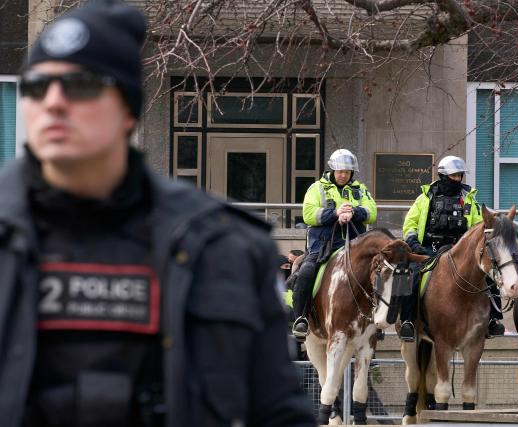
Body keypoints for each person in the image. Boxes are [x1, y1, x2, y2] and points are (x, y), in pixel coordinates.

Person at [3, 1, 315, 426]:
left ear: (128, 109)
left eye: (81, 85)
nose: (54, 102)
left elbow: (278, 412)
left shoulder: (222, 244)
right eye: (38, 86)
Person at [399, 155, 505, 341]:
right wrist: (414, 243)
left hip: (459, 252)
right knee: (411, 274)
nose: (457, 179)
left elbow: (477, 227)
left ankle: (494, 319)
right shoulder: (425, 198)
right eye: (454, 176)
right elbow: (410, 224)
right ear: (443, 176)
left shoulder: (469, 200)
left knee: (488, 276)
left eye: (460, 176)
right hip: (428, 249)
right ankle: (407, 321)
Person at [291, 149, 377, 340]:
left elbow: (372, 212)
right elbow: (308, 214)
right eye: (340, 171)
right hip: (322, 246)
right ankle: (300, 319)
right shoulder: (316, 188)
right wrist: (335, 213)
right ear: (333, 170)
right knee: (305, 273)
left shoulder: (360, 189)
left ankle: (375, 321)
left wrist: (354, 211)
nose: (343, 175)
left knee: (379, 273)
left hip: (354, 245)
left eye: (347, 172)